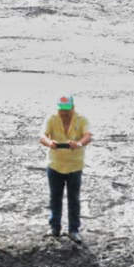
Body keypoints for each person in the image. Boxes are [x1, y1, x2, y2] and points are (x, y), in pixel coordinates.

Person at [39, 95, 92, 243]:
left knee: (73, 199)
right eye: (61, 110)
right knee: (55, 198)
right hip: (55, 165)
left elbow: (88, 136)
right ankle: (54, 228)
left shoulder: (81, 119)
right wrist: (50, 143)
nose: (64, 113)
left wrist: (79, 144)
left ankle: (73, 230)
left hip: (74, 166)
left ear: (73, 108)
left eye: (67, 110)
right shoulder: (51, 118)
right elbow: (42, 136)